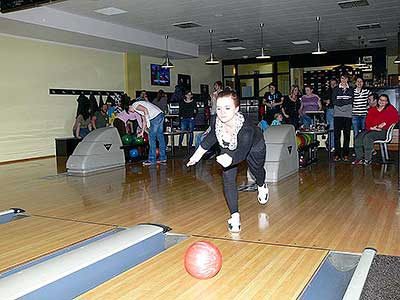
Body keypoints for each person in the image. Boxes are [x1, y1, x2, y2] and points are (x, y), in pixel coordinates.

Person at [187, 88, 269, 233]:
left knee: (256, 170)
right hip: (229, 144)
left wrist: (230, 160)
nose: (222, 112)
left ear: (236, 109)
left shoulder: (247, 128)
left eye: (227, 108)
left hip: (254, 146)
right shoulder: (216, 121)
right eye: (219, 108)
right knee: (228, 179)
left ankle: (262, 185)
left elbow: (242, 152)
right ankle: (235, 217)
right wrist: (197, 155)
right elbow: (212, 136)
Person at [352, 94, 398, 165]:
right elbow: (367, 122)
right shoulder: (372, 109)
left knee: (368, 137)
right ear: (378, 100)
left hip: (382, 131)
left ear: (387, 102)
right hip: (371, 129)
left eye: (384, 100)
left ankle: (368, 159)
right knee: (358, 138)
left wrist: (385, 123)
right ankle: (359, 158)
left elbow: (396, 118)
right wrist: (372, 127)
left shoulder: (390, 108)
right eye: (380, 100)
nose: (381, 102)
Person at [130, 100, 167, 166]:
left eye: (129, 110)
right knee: (160, 137)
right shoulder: (140, 107)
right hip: (160, 114)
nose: (130, 112)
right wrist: (142, 132)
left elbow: (145, 110)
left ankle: (152, 160)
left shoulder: (134, 105)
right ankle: (163, 158)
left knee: (152, 139)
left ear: (130, 106)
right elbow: (144, 120)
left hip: (155, 117)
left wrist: (148, 123)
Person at [332, 73, 354, 162]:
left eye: (345, 78)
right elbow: (334, 101)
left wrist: (341, 100)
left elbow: (351, 100)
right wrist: (345, 101)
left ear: (348, 79)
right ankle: (337, 154)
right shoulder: (336, 89)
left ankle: (345, 154)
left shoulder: (351, 89)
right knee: (337, 135)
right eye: (342, 78)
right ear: (340, 79)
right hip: (337, 115)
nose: (344, 80)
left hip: (348, 115)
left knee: (347, 135)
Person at [323, 78, 338, 152]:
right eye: (331, 84)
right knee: (331, 126)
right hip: (330, 110)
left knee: (334, 128)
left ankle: (328, 141)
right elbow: (322, 99)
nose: (333, 85)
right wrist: (326, 101)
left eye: (334, 83)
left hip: (338, 110)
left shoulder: (339, 91)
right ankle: (332, 145)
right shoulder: (327, 91)